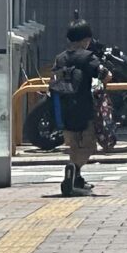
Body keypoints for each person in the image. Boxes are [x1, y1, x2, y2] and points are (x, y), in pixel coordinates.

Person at [47, 20, 104, 197]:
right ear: (86, 39)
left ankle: (76, 180)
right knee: (88, 146)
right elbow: (104, 74)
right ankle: (73, 169)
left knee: (73, 145)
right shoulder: (88, 57)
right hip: (83, 107)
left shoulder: (60, 57)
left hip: (63, 109)